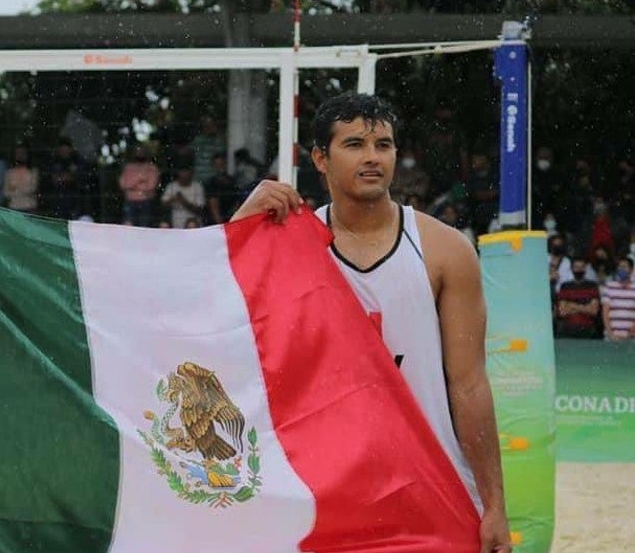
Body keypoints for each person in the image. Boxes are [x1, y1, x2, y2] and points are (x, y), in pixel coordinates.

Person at [232, 93, 511, 552]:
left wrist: (495, 504)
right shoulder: (291, 244)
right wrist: (242, 220)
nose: (372, 157)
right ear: (320, 158)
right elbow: (219, 320)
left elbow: (469, 385)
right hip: (324, 487)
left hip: (429, 482)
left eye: (383, 145)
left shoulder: (445, 250)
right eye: (355, 144)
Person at [555, 257, 602, 339]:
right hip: (567, 331)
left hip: (588, 331)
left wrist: (572, 305)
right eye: (576, 267)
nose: (579, 270)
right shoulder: (565, 286)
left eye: (582, 267)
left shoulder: (592, 286)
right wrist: (585, 307)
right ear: (572, 269)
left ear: (585, 269)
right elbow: (562, 312)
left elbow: (594, 311)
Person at [601, 256, 635, 341]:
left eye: (624, 267)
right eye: (620, 267)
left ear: (631, 270)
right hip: (611, 337)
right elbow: (605, 313)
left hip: (631, 338)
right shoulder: (609, 286)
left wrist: (630, 333)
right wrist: (611, 334)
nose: (621, 269)